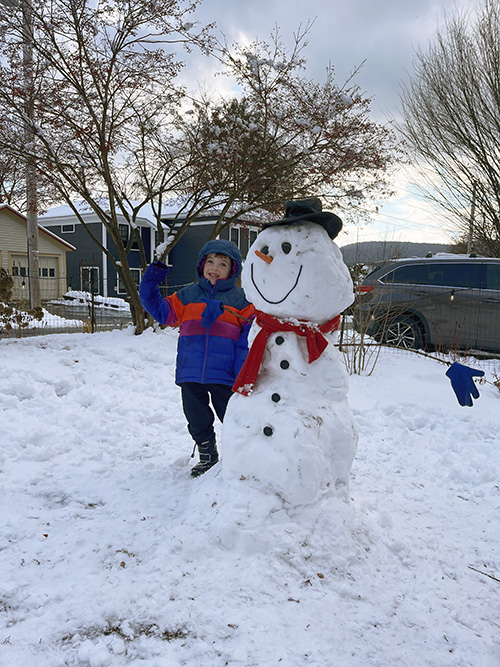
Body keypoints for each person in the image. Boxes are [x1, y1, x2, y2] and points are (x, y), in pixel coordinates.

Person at [139, 240, 254, 477]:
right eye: (210, 261)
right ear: (202, 264)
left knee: (232, 417)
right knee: (196, 417)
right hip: (190, 371)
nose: (215, 267)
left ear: (233, 270)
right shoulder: (187, 295)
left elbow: (248, 338)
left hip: (225, 374)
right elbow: (160, 310)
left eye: (223, 263)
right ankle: (207, 455)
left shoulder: (242, 300)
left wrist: (241, 369)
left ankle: (241, 457)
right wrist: (151, 279)